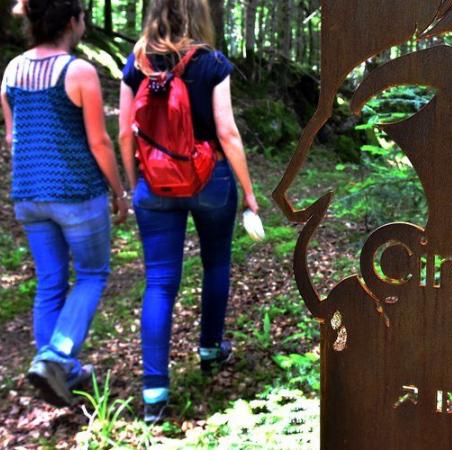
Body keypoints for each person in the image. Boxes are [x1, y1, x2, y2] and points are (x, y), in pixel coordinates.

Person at [118, 0, 259, 423]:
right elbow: (227, 132)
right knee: (216, 264)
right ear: (199, 16)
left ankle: (154, 393)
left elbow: (125, 131)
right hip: (209, 179)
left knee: (160, 282)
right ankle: (211, 350)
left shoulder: (137, 62)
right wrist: (249, 194)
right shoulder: (212, 62)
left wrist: (132, 182)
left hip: (155, 184)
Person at [0, 0, 128, 407]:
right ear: (72, 21)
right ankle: (57, 357)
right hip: (76, 194)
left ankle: (60, 371)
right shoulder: (78, 71)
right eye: (83, 17)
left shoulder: (12, 71)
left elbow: (12, 139)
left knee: (51, 282)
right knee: (92, 274)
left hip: (28, 195)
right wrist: (119, 191)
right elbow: (99, 141)